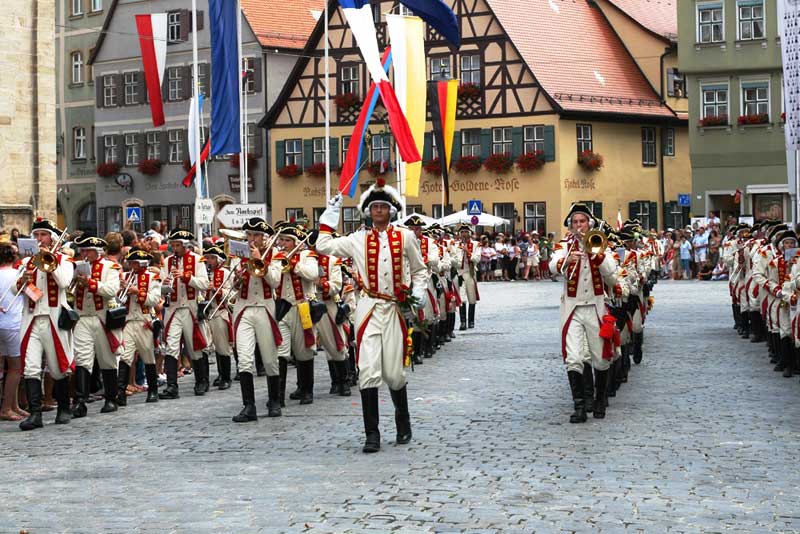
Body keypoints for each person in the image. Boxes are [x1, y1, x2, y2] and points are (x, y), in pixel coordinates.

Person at [315, 178, 427, 453]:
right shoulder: (356, 239)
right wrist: (330, 214)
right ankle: (372, 434)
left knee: (393, 373)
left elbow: (420, 270)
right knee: (368, 370)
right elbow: (323, 245)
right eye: (374, 206)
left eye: (383, 206)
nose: (379, 210)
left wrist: (417, 295)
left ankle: (403, 420)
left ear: (391, 210)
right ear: (368, 211)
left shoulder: (406, 237)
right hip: (367, 309)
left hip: (394, 310)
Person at [549, 204, 619, 423]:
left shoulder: (600, 245)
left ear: (589, 224)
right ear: (571, 226)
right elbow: (552, 266)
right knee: (575, 358)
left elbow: (612, 276)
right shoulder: (564, 246)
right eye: (575, 222)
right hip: (573, 309)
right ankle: (579, 406)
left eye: (583, 221)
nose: (579, 226)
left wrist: (594, 252)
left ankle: (598, 400)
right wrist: (565, 261)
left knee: (600, 358)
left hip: (596, 308)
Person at [17, 218, 75, 431]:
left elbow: (64, 282)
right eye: (36, 235)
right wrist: (22, 281)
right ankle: (35, 414)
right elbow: (16, 291)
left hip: (54, 318)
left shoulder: (63, 260)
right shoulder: (26, 262)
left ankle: (63, 408)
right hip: (31, 318)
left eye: (43, 235)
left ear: (51, 238)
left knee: (58, 367)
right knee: (31, 367)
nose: (39, 239)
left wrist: (49, 263)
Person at [231, 218, 282, 422]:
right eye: (249, 235)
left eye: (256, 236)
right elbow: (233, 286)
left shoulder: (275, 254)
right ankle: (249, 406)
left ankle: (274, 401)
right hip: (243, 307)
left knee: (270, 359)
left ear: (264, 238)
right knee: (244, 358)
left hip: (264, 307)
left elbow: (275, 281)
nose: (252, 239)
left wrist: (260, 259)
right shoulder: (238, 254)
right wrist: (237, 280)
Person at [70, 234, 123, 417]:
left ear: (97, 251)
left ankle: (111, 398)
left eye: (88, 251)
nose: (84, 254)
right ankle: (81, 401)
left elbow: (111, 290)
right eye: (82, 250)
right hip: (83, 316)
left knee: (106, 358)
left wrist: (91, 283)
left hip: (103, 317)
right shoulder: (76, 267)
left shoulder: (111, 267)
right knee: (82, 358)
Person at [159, 229, 210, 399]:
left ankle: (201, 381)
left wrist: (187, 277)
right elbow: (159, 287)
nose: (174, 248)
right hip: (173, 308)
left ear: (185, 245)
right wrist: (165, 284)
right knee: (171, 346)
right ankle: (172, 386)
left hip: (190, 308)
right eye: (172, 245)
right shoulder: (166, 262)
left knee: (194, 346)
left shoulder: (197, 260)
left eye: (177, 245)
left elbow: (204, 283)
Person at [116, 248, 162, 405]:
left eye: (135, 263)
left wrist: (137, 292)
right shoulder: (127, 276)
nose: (132, 266)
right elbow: (117, 300)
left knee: (148, 355)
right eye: (130, 263)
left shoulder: (152, 277)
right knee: (125, 355)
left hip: (144, 321)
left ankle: (153, 390)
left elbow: (155, 300)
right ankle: (120, 393)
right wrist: (120, 290)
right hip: (128, 321)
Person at [0, 241, 25, 421]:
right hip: (14, 324)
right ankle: (7, 407)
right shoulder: (19, 275)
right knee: (16, 368)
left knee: (4, 368)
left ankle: (14, 405)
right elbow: (34, 295)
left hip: (2, 324)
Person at [456, 224, 481, 330]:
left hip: (470, 273)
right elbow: (455, 260)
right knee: (461, 297)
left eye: (466, 232)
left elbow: (477, 258)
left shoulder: (476, 245)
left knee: (471, 297)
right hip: (460, 273)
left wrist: (468, 252)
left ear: (469, 233)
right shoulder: (456, 245)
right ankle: (462, 322)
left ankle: (471, 321)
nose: (464, 234)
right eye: (462, 232)